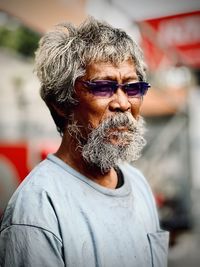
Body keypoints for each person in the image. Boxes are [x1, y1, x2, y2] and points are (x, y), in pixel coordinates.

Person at [0, 17, 169, 267]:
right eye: (103, 87)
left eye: (132, 88)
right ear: (61, 102)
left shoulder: (139, 184)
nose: (123, 103)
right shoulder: (39, 208)